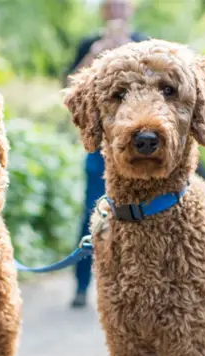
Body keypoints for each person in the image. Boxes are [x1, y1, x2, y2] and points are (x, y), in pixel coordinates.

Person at [65, 0, 147, 309]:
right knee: (92, 210)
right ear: (102, 11)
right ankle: (82, 285)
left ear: (131, 10)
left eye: (121, 6)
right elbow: (69, 87)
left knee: (140, 215)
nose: (116, 12)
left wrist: (128, 51)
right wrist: (94, 54)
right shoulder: (90, 43)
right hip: (102, 148)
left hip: (137, 146)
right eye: (110, 6)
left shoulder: (142, 42)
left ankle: (134, 284)